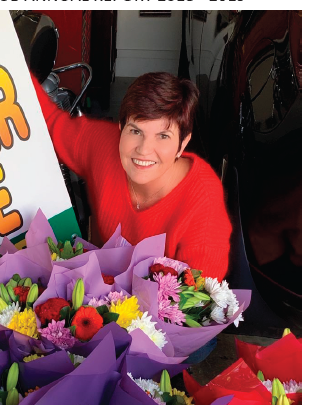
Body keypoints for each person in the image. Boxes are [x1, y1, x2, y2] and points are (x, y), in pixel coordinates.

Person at [32, 71, 232, 280]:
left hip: (157, 311)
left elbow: (198, 304)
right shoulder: (103, 145)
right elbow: (49, 121)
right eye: (135, 131)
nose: (144, 150)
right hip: (94, 296)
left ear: (182, 144)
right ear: (121, 127)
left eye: (163, 136)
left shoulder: (203, 206)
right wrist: (1, 56)